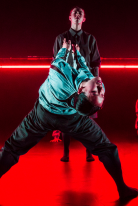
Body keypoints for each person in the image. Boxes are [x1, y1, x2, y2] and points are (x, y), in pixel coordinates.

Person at [0, 40, 138, 201]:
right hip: (72, 118)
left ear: (82, 90)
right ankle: (122, 189)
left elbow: (58, 61)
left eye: (98, 92)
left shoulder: (59, 73)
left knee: (12, 148)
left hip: (43, 114)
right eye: (100, 93)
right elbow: (84, 69)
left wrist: (65, 49)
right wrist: (78, 54)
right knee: (107, 149)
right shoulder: (92, 84)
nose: (101, 87)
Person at [50, 6, 101, 162]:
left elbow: (95, 62)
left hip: (86, 82)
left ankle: (89, 152)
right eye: (75, 13)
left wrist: (96, 86)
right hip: (68, 83)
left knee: (87, 118)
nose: (77, 15)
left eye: (80, 14)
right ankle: (66, 153)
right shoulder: (61, 38)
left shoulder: (90, 39)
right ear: (70, 17)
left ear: (83, 19)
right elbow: (55, 62)